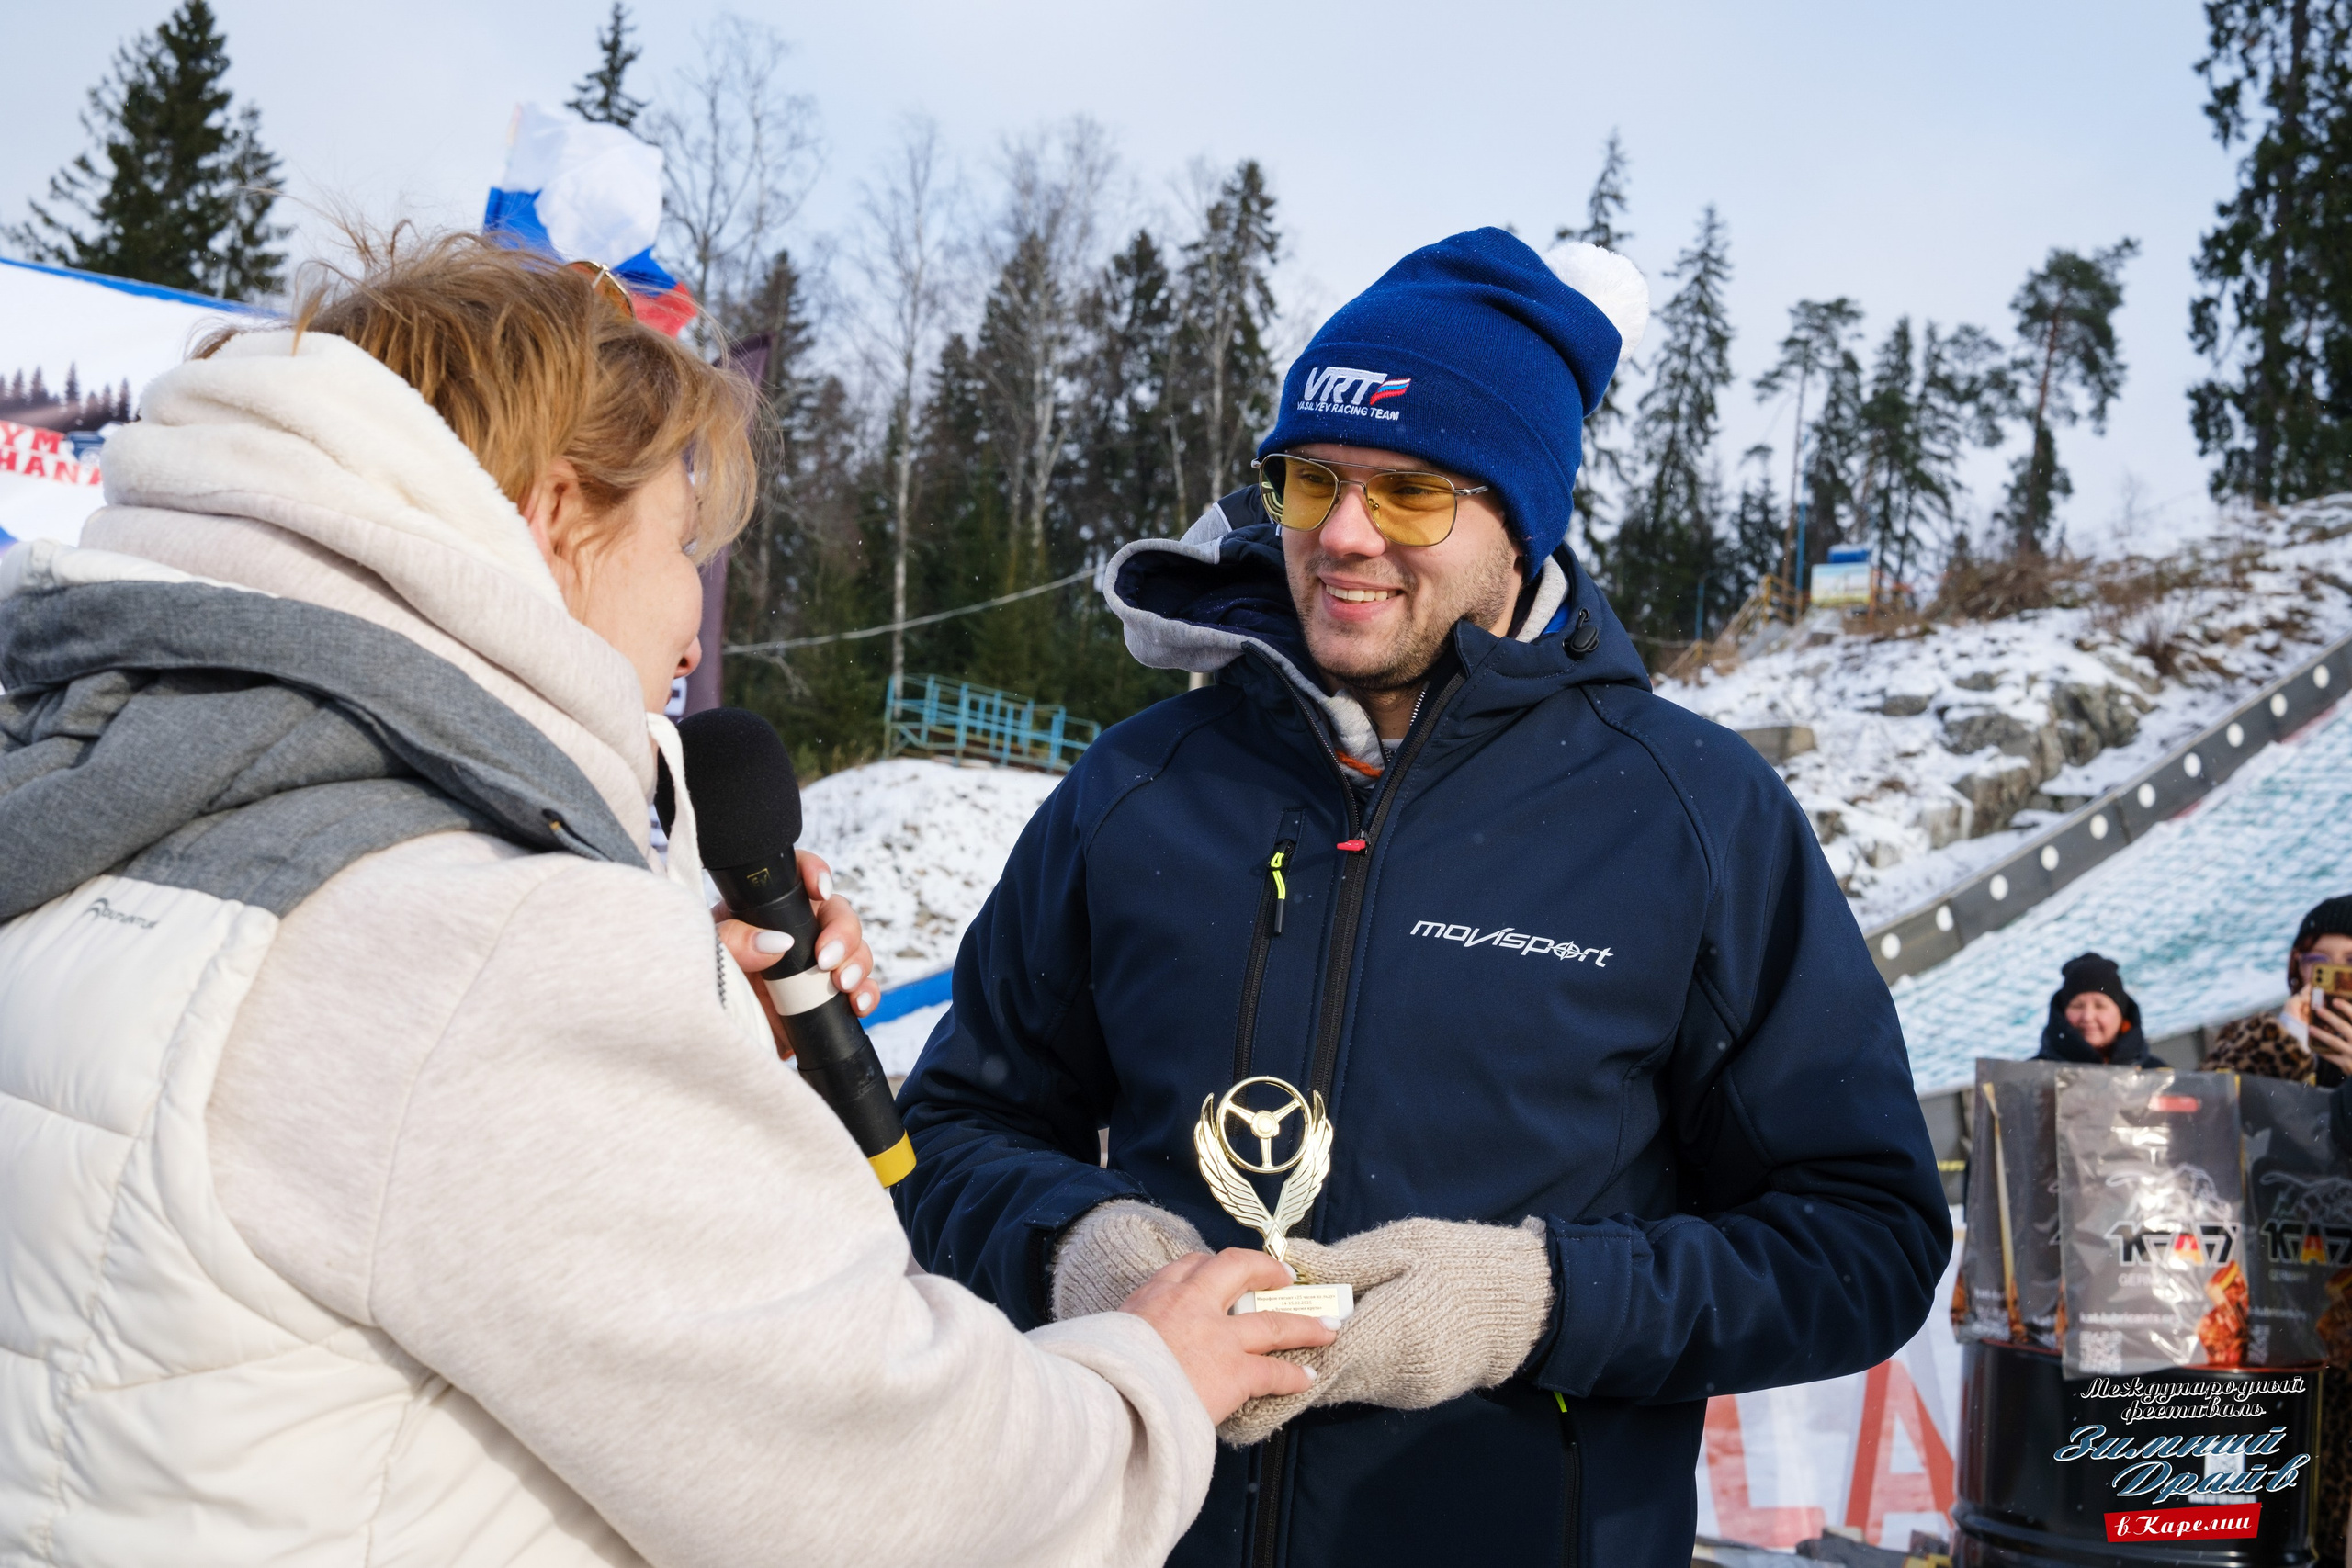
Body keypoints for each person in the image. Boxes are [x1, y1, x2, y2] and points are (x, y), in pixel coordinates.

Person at [0, 232, 1331, 1567]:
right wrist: (1143, 1380)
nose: (696, 620)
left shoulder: (110, 790)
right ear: (555, 515)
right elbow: (896, 1490)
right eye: (678, 542)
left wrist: (685, 1057)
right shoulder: (477, 944)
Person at [891, 229, 1951, 1568]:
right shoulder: (1140, 784)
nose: (1342, 533)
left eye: (1410, 492)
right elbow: (946, 1133)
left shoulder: (1692, 813)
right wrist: (1081, 1247)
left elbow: (1867, 1236)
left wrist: (1540, 1297)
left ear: (1521, 519)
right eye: (1312, 478)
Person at [2205, 895, 2352, 1567]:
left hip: (2337, 1323)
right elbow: (2204, 1128)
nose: (2340, 978)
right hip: (2263, 1319)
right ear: (2300, 963)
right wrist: (2283, 1043)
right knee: (2256, 1523)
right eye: (2328, 961)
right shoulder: (2256, 1037)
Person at [2205, 894, 2352, 1088]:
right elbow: (2206, 1100)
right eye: (2318, 962)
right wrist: (2287, 1040)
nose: (2336, 975)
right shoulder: (2263, 1035)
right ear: (2298, 968)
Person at [2031, 951, 2154, 1066]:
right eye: (2077, 1006)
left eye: (2099, 1006)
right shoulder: (2032, 1077)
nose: (2088, 1016)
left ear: (2121, 1013)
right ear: (2062, 1013)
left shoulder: (2159, 1075)